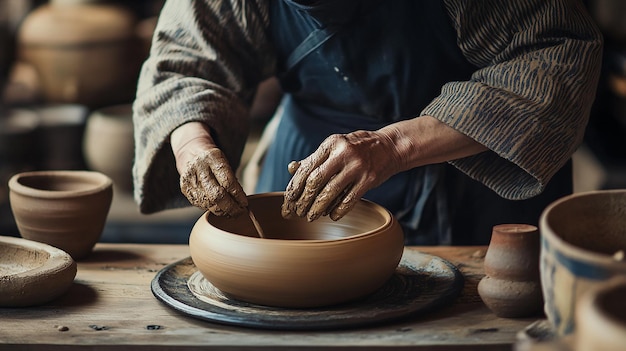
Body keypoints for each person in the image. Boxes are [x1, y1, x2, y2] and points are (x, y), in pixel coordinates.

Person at [132, 0, 603, 245]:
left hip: (473, 167)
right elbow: (185, 65)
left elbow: (555, 54)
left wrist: (394, 146)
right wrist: (193, 145)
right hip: (309, 160)